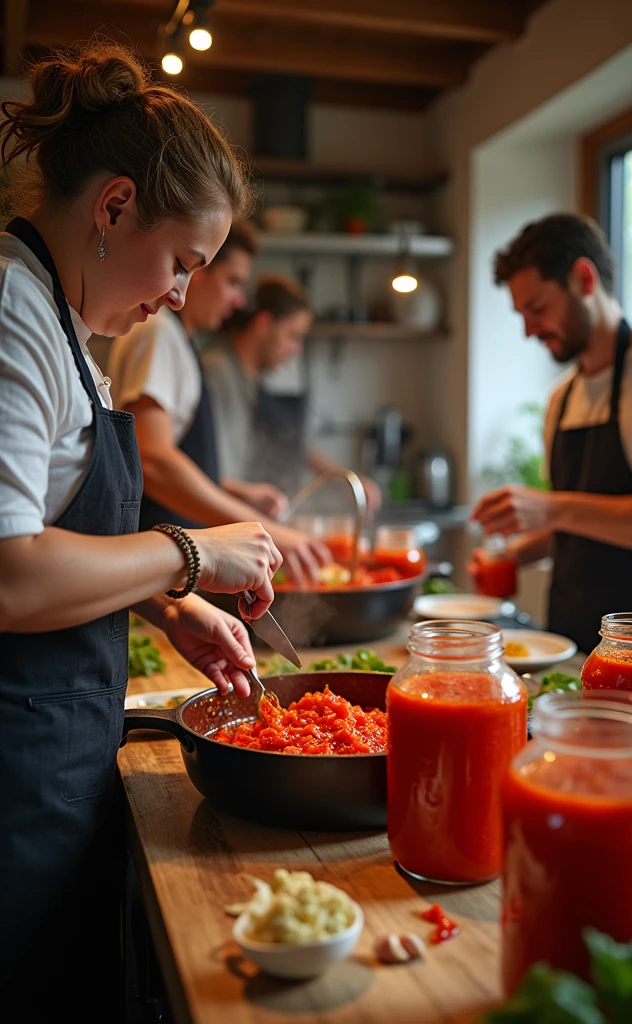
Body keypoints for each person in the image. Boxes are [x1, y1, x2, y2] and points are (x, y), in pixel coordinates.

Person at [0, 42, 284, 1020]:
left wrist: (174, 609)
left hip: (54, 761)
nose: (177, 294)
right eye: (181, 263)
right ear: (114, 207)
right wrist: (194, 551)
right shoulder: (11, 312)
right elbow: (10, 575)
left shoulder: (64, 323)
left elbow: (49, 525)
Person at [470, 213, 632, 654]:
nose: (528, 330)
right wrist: (518, 552)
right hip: (567, 640)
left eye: (537, 309)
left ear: (584, 279)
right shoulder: (561, 397)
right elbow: (582, 525)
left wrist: (552, 508)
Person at [108, 227, 329, 586]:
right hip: (157, 563)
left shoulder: (178, 340)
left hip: (175, 564)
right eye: (233, 282)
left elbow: (172, 454)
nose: (240, 300)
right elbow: (152, 459)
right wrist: (266, 530)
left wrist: (237, 490)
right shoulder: (158, 333)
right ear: (199, 270)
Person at [202, 273, 382, 513]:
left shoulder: (253, 380)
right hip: (214, 520)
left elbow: (297, 443)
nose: (296, 350)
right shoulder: (217, 371)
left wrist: (347, 482)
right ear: (264, 324)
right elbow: (202, 470)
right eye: (293, 336)